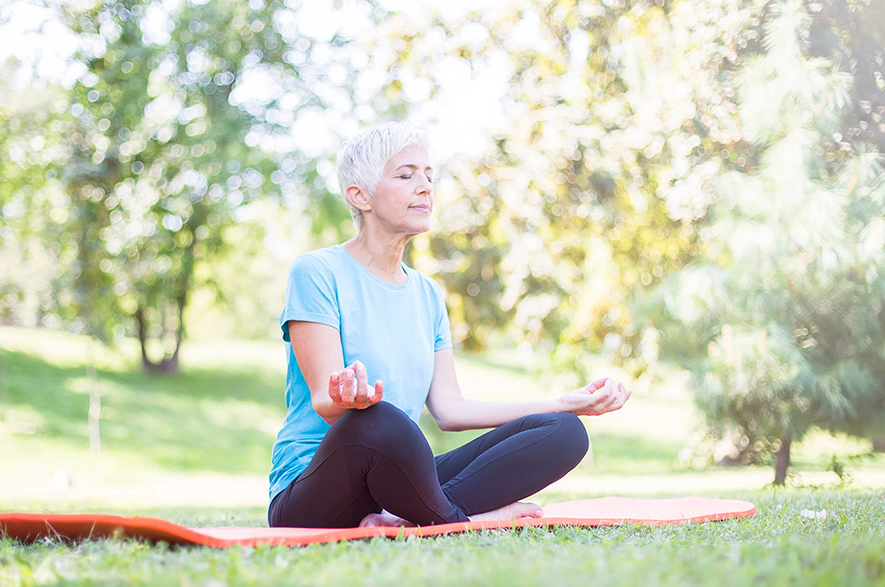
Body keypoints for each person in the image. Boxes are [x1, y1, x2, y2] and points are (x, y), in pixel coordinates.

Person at [267, 123, 631, 529]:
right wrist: (349, 400)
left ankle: (406, 517)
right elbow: (324, 400)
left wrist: (563, 403)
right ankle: (466, 520)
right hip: (314, 491)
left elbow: (450, 410)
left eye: (428, 175)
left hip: (396, 484)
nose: (424, 186)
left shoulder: (427, 294)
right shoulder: (317, 271)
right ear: (360, 195)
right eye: (406, 175)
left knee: (563, 432)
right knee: (378, 419)